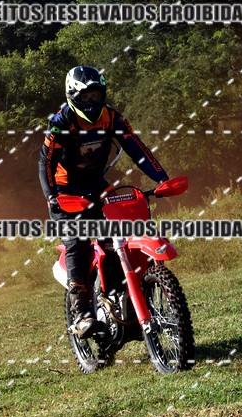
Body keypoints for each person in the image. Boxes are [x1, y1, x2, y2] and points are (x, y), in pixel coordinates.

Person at [39, 66, 168, 338]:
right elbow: (46, 162)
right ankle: (82, 314)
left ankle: (122, 297)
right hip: (65, 191)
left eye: (96, 95)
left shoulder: (112, 118)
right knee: (78, 242)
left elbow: (137, 149)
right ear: (72, 96)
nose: (92, 101)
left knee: (120, 232)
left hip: (96, 185)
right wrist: (51, 196)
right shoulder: (61, 122)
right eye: (86, 96)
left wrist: (161, 178)